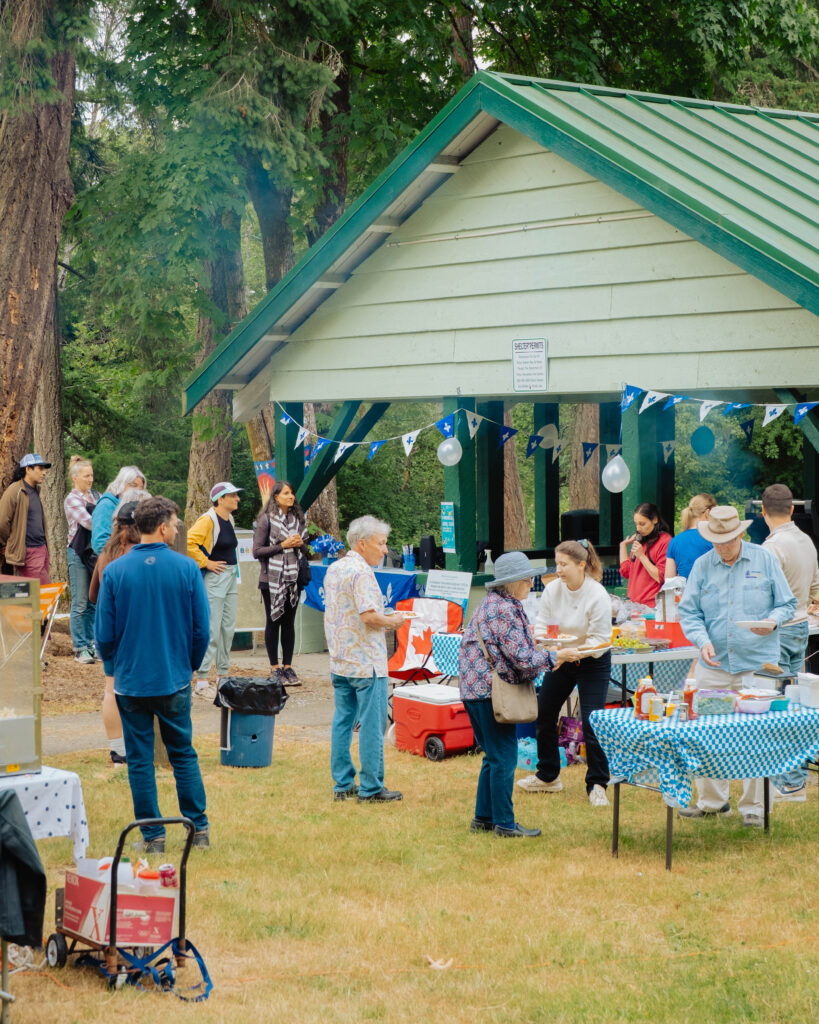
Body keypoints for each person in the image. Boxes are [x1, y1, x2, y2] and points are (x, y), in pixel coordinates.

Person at [95, 496, 211, 853]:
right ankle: (199, 830)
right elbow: (201, 630)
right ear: (162, 527)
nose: (177, 529)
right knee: (183, 754)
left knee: (140, 760)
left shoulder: (115, 571)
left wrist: (115, 667)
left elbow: (103, 635)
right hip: (173, 677)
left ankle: (152, 836)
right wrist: (188, 664)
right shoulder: (187, 568)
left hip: (131, 683)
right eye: (175, 523)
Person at [677, 505, 796, 828]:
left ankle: (754, 807)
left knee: (759, 737)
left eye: (727, 541)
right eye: (715, 541)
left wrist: (772, 621)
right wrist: (701, 640)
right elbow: (689, 612)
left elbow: (787, 604)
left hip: (756, 663)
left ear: (740, 535)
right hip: (713, 662)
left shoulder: (765, 559)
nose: (721, 547)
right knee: (704, 730)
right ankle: (712, 802)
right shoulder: (702, 566)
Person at [459, 551, 553, 837]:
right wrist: (554, 656)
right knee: (504, 758)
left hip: (474, 689)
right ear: (512, 583)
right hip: (491, 692)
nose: (531, 584)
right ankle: (504, 823)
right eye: (526, 580)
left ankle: (483, 818)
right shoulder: (505, 608)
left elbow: (510, 647)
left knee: (492, 756)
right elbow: (523, 659)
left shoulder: (491, 603)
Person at [518, 539, 613, 807]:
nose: (558, 570)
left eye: (564, 564)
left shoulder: (597, 594)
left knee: (594, 722)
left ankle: (597, 784)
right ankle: (548, 776)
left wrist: (575, 653)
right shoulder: (553, 591)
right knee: (544, 712)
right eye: (557, 563)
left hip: (593, 660)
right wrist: (551, 649)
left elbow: (601, 640)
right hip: (561, 657)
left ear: (582, 565)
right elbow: (544, 626)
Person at [324, 515, 407, 803]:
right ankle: (371, 788)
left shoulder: (335, 568)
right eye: (381, 543)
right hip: (366, 662)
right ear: (363, 544)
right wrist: (394, 621)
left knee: (343, 721)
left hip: (340, 660)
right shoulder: (362, 573)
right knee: (373, 726)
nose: (386, 550)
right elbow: (369, 616)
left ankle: (342, 784)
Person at [761, 483, 819, 802]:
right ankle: (793, 779)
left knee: (776, 706)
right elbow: (815, 589)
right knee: (796, 704)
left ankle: (785, 781)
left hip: (777, 631)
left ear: (764, 511)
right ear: (793, 509)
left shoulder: (771, 548)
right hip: (801, 628)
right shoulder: (806, 542)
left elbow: (762, 596)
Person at [89, 501, 141, 765]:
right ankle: (138, 745)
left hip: (108, 629)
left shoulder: (106, 554)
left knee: (111, 689)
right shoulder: (142, 556)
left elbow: (93, 595)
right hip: (135, 630)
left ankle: (117, 749)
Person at [187, 481, 242, 700]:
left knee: (227, 627)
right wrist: (206, 562)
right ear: (221, 499)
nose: (237, 499)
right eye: (233, 496)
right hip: (216, 577)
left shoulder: (230, 519)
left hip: (229, 576)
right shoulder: (208, 519)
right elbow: (189, 542)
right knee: (211, 628)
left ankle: (223, 676)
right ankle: (201, 680)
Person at [252, 480, 309, 685]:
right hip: (272, 580)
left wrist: (300, 544)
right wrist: (283, 545)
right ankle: (274, 668)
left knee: (289, 624)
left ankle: (288, 667)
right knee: (273, 622)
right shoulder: (266, 520)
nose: (291, 496)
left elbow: (304, 551)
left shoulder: (298, 520)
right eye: (286, 493)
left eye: (292, 492)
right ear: (276, 497)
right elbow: (257, 552)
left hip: (293, 580)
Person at [64, 455, 99, 664]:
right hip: (77, 553)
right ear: (75, 478)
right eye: (86, 476)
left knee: (92, 601)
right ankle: (80, 647)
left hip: (93, 552)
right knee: (80, 602)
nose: (90, 479)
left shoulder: (95, 497)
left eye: (92, 475)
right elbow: (90, 523)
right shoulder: (72, 499)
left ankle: (91, 643)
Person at [0, 454, 52, 583]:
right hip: (28, 551)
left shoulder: (35, 490)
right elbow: (2, 522)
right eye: (40, 468)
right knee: (44, 590)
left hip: (42, 549)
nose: (44, 473)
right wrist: (9, 544)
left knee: (35, 594)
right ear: (28, 469)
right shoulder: (15, 491)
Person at [618, 502, 671, 607]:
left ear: (654, 519)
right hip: (634, 604)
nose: (638, 528)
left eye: (642, 524)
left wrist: (642, 556)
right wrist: (623, 547)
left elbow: (661, 577)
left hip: (652, 605)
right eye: (636, 524)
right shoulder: (640, 541)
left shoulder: (665, 541)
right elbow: (626, 571)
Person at [91, 466, 146, 555]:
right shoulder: (106, 505)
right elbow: (99, 543)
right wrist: (120, 560)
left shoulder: (135, 508)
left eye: (141, 488)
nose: (138, 491)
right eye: (133, 485)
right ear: (121, 484)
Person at [665, 493, 716, 580]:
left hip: (685, 592)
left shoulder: (675, 541)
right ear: (707, 513)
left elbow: (669, 579)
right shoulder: (713, 538)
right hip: (709, 591)